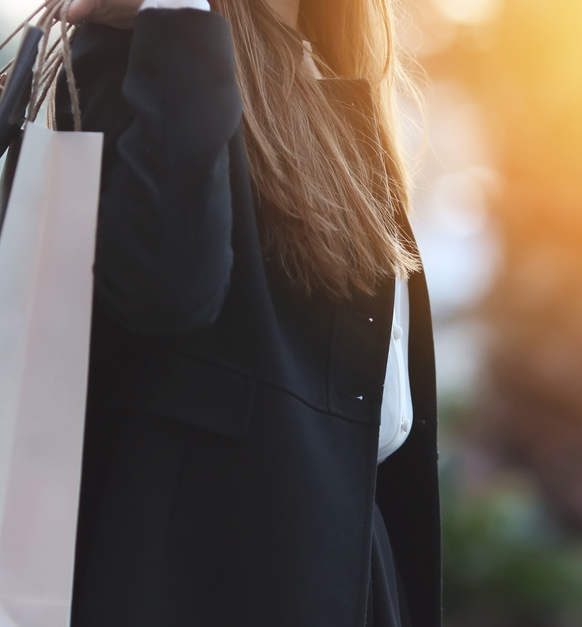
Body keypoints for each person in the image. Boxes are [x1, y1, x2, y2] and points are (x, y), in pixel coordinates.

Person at [56, 0, 440, 624]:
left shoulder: (334, 78)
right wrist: (178, 16)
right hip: (215, 578)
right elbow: (164, 286)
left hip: (347, 566)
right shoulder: (153, 45)